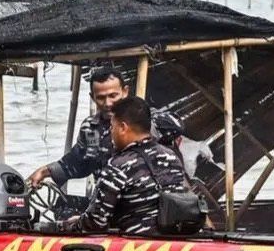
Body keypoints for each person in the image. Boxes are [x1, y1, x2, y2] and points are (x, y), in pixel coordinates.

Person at [28, 66, 183, 187]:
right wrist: (45, 171)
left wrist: (142, 122)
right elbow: (78, 163)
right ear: (92, 97)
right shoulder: (91, 129)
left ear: (125, 92)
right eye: (101, 98)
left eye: (113, 96)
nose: (108, 104)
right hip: (109, 199)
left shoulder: (146, 118)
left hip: (149, 199)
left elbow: (177, 126)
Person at [61, 96, 192, 236]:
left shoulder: (118, 165)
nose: (111, 133)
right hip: (172, 242)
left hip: (135, 246)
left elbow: (95, 223)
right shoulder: (172, 157)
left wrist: (70, 225)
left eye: (112, 127)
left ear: (123, 128)